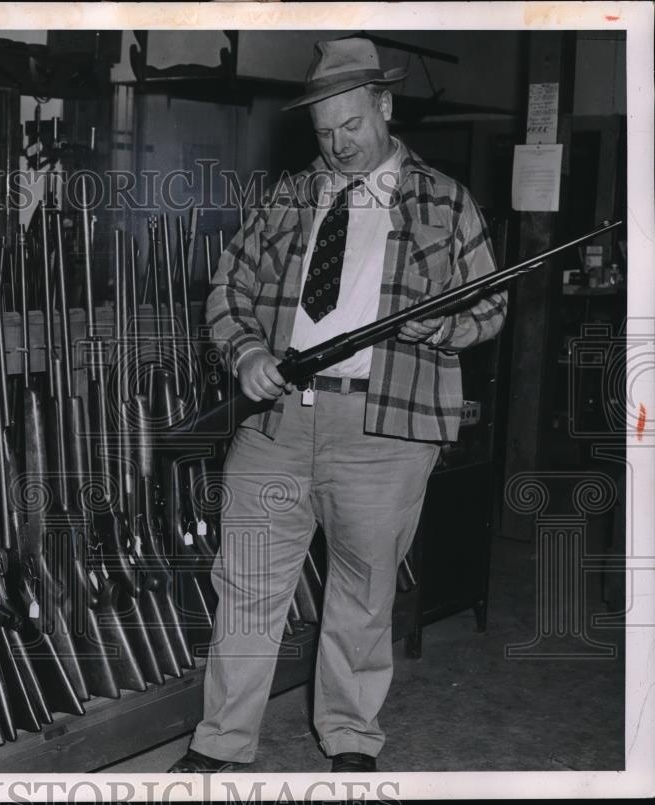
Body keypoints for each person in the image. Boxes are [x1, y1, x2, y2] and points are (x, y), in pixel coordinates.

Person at [168, 37, 508, 774]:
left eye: (350, 126)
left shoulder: (444, 199)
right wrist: (248, 354)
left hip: (385, 426)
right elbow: (226, 290)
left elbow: (491, 305)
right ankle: (222, 741)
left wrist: (443, 324)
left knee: (362, 590)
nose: (338, 144)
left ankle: (350, 735)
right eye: (324, 131)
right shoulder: (291, 195)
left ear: (383, 107)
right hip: (278, 420)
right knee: (249, 580)